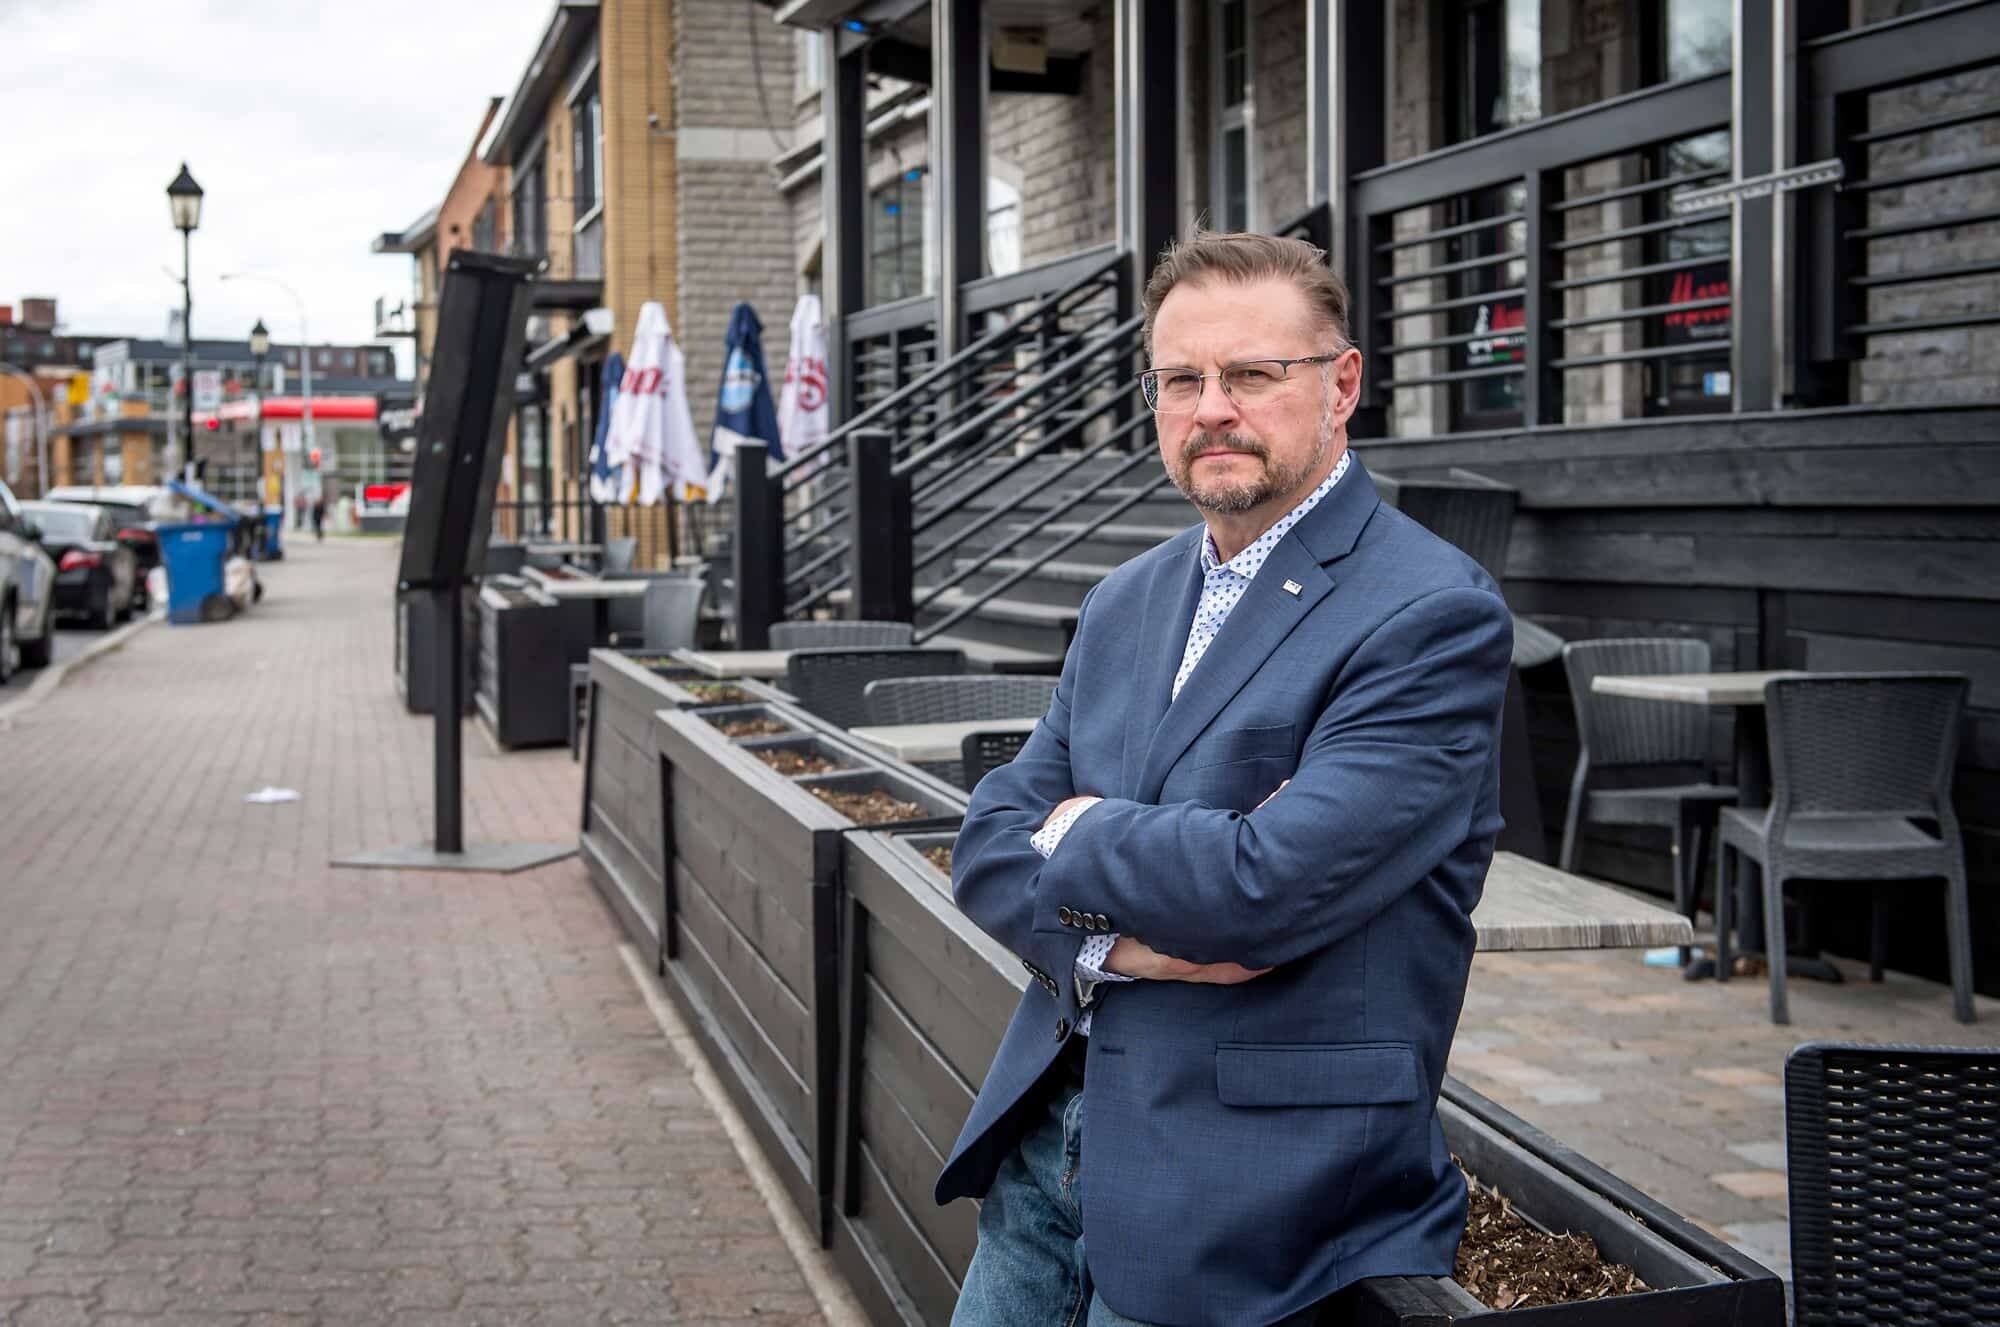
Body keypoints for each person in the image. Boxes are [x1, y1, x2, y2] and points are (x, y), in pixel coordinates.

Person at [936, 230, 1514, 1327]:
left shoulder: (1426, 613)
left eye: (1252, 373)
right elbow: (987, 843)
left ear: (1340, 383)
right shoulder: (1125, 600)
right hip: (1047, 1153)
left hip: (1246, 1194)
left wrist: (1075, 828)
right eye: (1181, 379)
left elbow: (1259, 886)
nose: (1211, 408)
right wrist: (1110, 935)